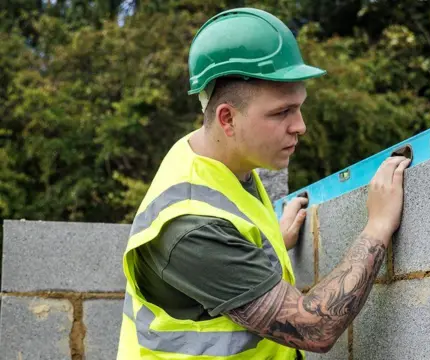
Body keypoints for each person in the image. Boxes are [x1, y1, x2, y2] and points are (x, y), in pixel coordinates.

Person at [116, 7, 411, 360]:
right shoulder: (190, 228)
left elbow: (227, 246)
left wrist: (272, 242)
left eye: (299, 108)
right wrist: (377, 227)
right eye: (281, 112)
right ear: (227, 118)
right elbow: (313, 327)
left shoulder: (221, 159)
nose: (299, 126)